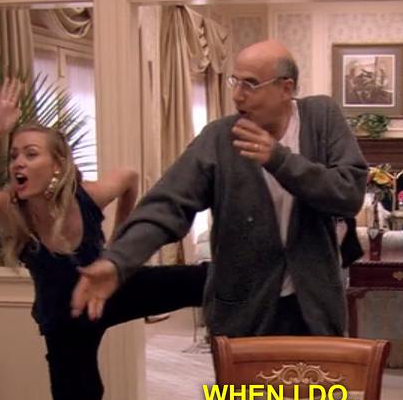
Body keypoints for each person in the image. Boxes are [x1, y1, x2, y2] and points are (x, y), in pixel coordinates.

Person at [0, 78, 207, 400]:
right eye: (14, 155)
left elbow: (129, 177)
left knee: (203, 279)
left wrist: (120, 249)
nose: (18, 162)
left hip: (108, 292)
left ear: (57, 165)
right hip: (66, 319)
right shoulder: (7, 209)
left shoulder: (88, 196)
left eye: (31, 154)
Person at [71, 40, 368, 337]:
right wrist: (118, 260)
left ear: (286, 88)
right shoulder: (218, 138)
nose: (237, 95)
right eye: (234, 82)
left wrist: (279, 160)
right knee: (237, 374)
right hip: (242, 315)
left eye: (250, 84)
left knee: (322, 372)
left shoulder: (321, 117)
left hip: (314, 311)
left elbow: (349, 193)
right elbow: (167, 205)